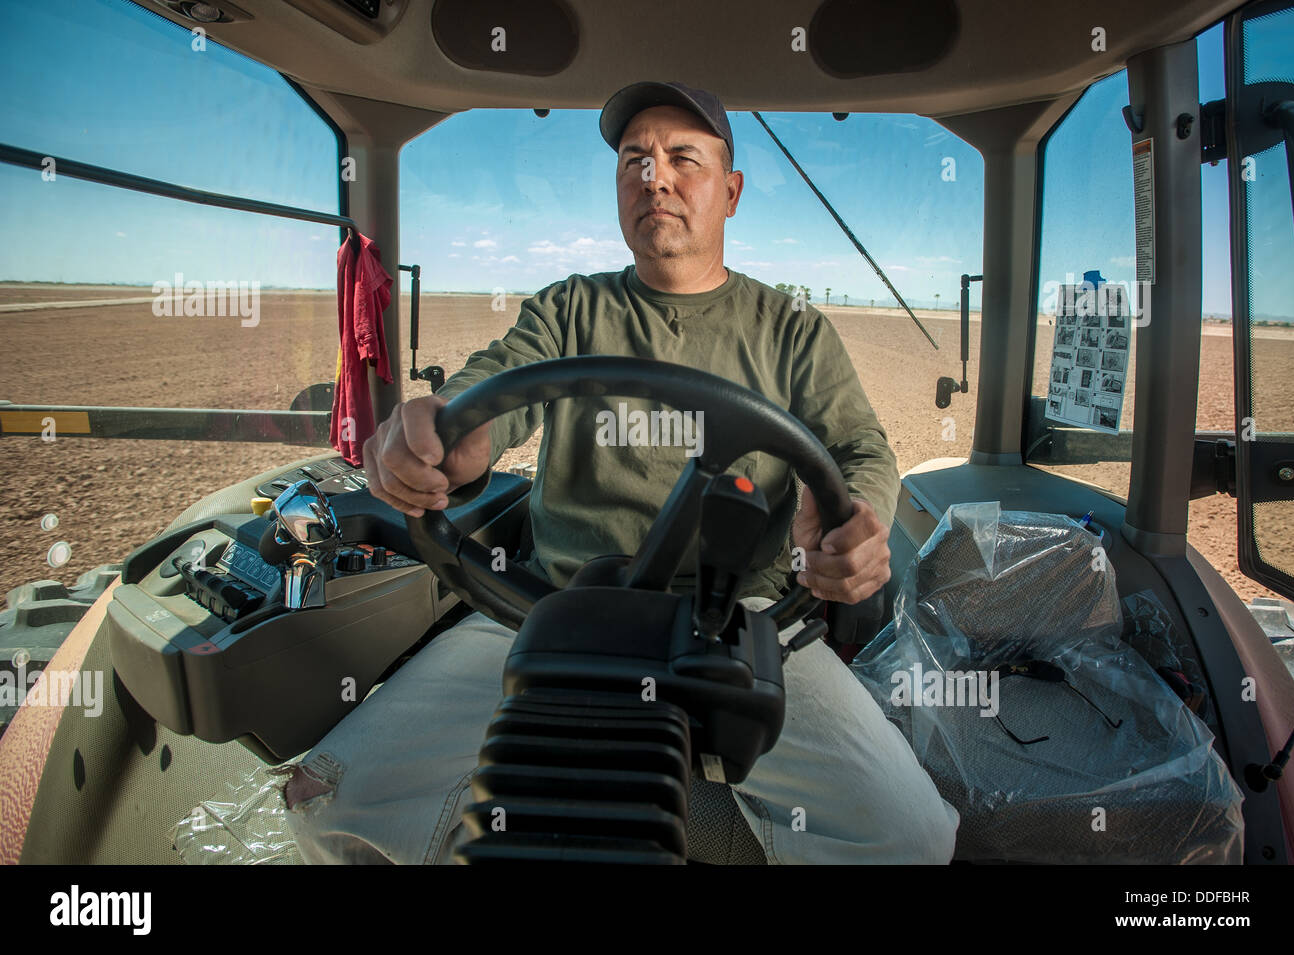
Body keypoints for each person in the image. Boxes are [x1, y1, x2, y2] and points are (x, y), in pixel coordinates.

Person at [282, 81, 959, 864]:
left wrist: (857, 517)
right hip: (553, 606)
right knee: (329, 793)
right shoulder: (570, 310)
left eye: (683, 158)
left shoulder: (793, 330)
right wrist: (442, 435)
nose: (654, 177)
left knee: (911, 837)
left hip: (743, 621)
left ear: (731, 192)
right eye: (634, 159)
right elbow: (487, 396)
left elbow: (861, 450)